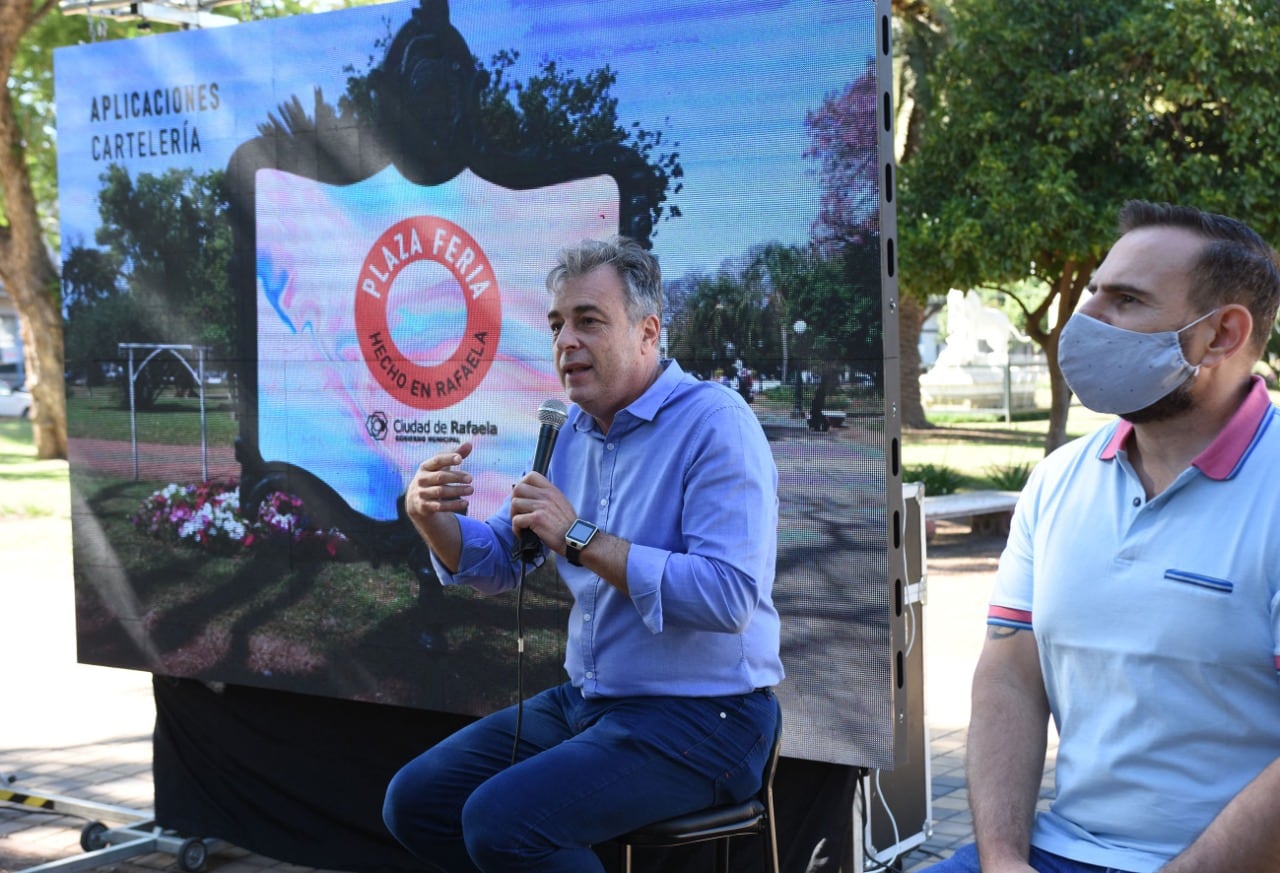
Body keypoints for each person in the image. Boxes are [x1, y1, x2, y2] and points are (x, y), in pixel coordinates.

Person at [382, 235, 784, 873]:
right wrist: (430, 519)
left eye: (588, 322)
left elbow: (727, 597)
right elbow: (507, 554)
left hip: (711, 717)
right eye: (557, 325)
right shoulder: (567, 431)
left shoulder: (716, 423)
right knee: (415, 802)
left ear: (648, 332)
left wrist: (580, 537)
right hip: (592, 702)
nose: (565, 342)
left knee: (500, 822)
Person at [924, 200, 1280, 873]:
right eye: (1093, 291)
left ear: (1223, 334)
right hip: (1060, 852)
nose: (1083, 318)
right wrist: (1002, 858)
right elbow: (1010, 676)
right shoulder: (1060, 479)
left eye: (1126, 300)